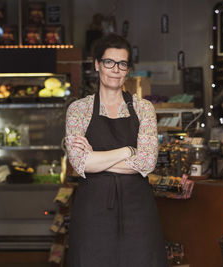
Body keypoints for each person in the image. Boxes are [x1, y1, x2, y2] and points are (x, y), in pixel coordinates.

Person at [65, 34, 168, 267]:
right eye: (109, 62)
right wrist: (128, 151)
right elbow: (80, 164)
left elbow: (147, 161)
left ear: (128, 69)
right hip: (93, 212)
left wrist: (96, 158)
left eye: (122, 64)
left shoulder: (143, 108)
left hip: (138, 212)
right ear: (97, 65)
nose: (115, 69)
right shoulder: (78, 110)